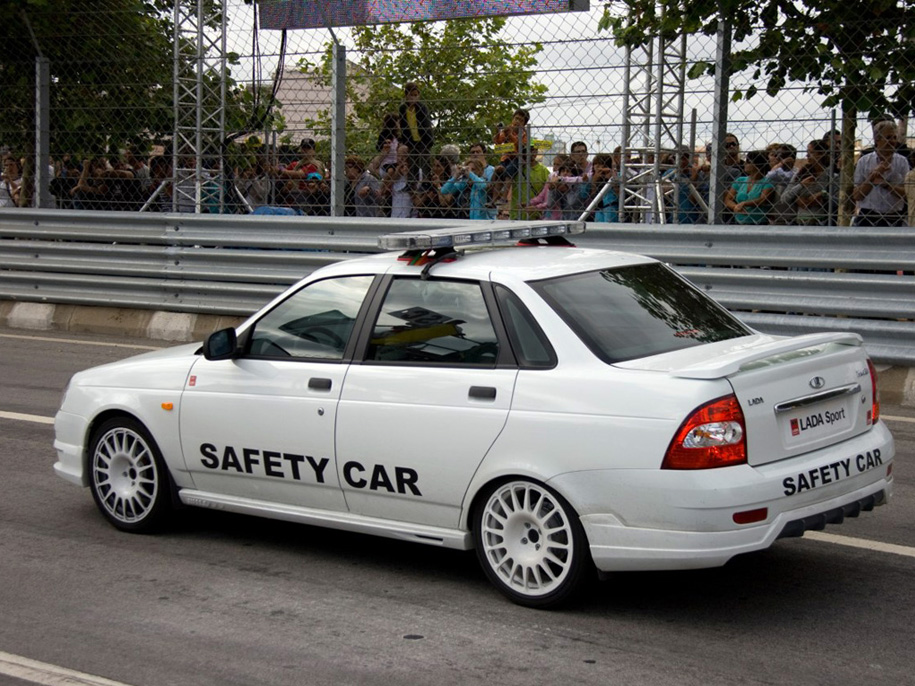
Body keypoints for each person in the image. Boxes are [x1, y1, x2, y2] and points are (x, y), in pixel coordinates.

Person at [852, 119, 908, 226]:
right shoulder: (864, 161)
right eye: (888, 137)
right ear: (877, 139)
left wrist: (886, 185)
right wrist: (872, 177)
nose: (892, 141)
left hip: (894, 216)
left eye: (894, 137)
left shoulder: (902, 162)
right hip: (868, 215)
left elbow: (906, 193)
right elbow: (857, 195)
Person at [780, 140, 835, 226]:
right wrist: (801, 186)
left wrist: (822, 194)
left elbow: (838, 197)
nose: (807, 156)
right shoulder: (801, 173)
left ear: (821, 154)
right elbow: (784, 198)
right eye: (807, 152)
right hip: (801, 221)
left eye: (811, 152)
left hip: (824, 221)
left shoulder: (831, 175)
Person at [724, 149, 775, 225]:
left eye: (748, 162)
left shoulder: (767, 182)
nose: (745, 164)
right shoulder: (740, 180)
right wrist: (735, 207)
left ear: (757, 165)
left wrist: (745, 203)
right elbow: (728, 199)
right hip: (738, 221)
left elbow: (762, 200)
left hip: (759, 223)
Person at [398, 82, 434, 180]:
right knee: (412, 164)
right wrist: (405, 141)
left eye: (416, 95)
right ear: (406, 95)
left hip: (423, 140)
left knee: (424, 163)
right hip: (411, 141)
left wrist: (428, 141)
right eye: (411, 95)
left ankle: (426, 182)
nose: (414, 98)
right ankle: (411, 183)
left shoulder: (421, 107)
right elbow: (403, 125)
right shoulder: (403, 108)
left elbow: (426, 124)